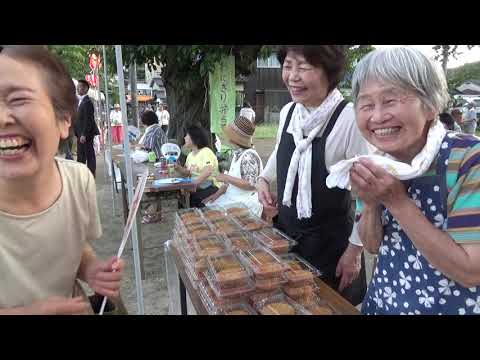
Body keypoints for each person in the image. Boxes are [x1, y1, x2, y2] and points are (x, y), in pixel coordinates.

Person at [349, 46, 480, 315]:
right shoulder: (377, 161)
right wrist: (371, 203)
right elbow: (372, 246)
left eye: (391, 100)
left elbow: (470, 271)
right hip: (382, 305)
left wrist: (396, 201)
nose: (377, 116)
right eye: (366, 104)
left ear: (430, 105)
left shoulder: (468, 159)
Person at [0, 45, 123, 314]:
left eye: (18, 99)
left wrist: (91, 270)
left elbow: (76, 250)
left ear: (64, 120)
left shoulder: (79, 182)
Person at [256, 45, 370, 305]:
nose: (292, 76)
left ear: (329, 72)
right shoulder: (288, 113)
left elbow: (369, 197)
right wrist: (263, 179)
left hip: (332, 249)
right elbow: (279, 152)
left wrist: (353, 252)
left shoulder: (349, 119)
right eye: (287, 66)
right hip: (286, 240)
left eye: (304, 67)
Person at [203, 115, 264, 218]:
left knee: (214, 218)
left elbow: (251, 185)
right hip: (234, 199)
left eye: (230, 136)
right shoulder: (237, 153)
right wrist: (216, 195)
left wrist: (226, 177)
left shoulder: (249, 156)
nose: (228, 139)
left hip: (245, 203)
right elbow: (229, 183)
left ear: (235, 140)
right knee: (208, 208)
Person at [175, 125, 220, 208]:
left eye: (187, 135)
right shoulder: (190, 155)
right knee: (181, 198)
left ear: (194, 138)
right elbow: (188, 172)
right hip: (196, 187)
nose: (184, 138)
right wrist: (178, 168)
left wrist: (192, 184)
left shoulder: (206, 152)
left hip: (209, 186)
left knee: (194, 199)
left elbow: (208, 171)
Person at [74, 79, 100, 177]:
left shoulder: (88, 102)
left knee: (89, 155)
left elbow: (88, 120)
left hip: (85, 134)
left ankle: (90, 174)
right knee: (81, 155)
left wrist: (84, 134)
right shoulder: (79, 101)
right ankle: (82, 175)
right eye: (78, 86)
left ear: (85, 89)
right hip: (79, 133)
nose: (78, 88)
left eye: (80, 86)